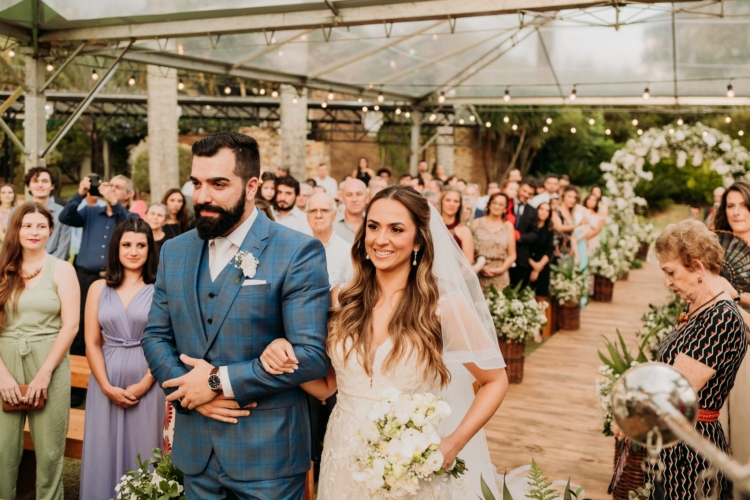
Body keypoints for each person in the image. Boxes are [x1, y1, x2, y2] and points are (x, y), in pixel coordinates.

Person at [259, 186, 508, 499]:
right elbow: (326, 385)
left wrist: (454, 442)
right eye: (373, 227)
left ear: (419, 239)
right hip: (344, 457)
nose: (380, 239)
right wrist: (281, 354)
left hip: (412, 466)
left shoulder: (444, 307)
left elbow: (495, 380)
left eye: (396, 229)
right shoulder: (341, 299)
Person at [141, 132, 330, 498]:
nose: (202, 196)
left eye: (218, 183)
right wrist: (189, 390)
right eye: (196, 183)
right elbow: (155, 336)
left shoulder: (296, 251)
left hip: (268, 456)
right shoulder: (174, 251)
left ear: (251, 186)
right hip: (197, 452)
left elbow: (310, 357)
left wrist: (215, 382)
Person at [614, 219, 747, 499]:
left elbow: (671, 391)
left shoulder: (721, 318)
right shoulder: (699, 307)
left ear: (697, 267)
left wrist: (630, 415)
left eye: (671, 272)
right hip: (675, 442)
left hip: (693, 450)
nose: (667, 282)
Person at [79, 218, 163, 500]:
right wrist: (104, 385)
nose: (134, 251)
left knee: (145, 448)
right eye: (127, 244)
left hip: (149, 376)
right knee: (104, 447)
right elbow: (91, 342)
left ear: (150, 249)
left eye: (141, 245)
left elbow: (166, 340)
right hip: (107, 376)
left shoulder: (160, 288)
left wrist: (144, 383)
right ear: (116, 247)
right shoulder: (97, 288)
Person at [0, 203, 79, 500]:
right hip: (4, 363)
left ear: (50, 230)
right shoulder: (1, 267)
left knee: (49, 453)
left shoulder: (63, 269)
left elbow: (70, 326)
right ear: (15, 229)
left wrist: (45, 374)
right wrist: (3, 377)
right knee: (3, 453)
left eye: (41, 226)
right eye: (27, 225)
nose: (34, 232)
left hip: (50, 363)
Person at [59, 176, 137, 373]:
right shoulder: (91, 212)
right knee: (79, 327)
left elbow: (129, 229)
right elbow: (64, 218)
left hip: (114, 281)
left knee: (109, 329)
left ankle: (104, 374)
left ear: (128, 195)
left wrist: (114, 203)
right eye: (109, 185)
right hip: (84, 278)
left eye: (117, 187)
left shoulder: (131, 218)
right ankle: (76, 384)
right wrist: (79, 193)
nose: (111, 189)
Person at [710, 180, 750, 466]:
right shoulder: (716, 248)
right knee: (716, 426)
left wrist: (737, 296)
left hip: (747, 346)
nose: (738, 212)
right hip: (716, 344)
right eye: (731, 206)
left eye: (745, 205)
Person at [13, 167, 71, 260]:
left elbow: (63, 249)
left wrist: (45, 267)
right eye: (35, 181)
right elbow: (12, 243)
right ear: (28, 186)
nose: (40, 185)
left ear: (52, 185)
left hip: (52, 266)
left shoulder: (63, 213)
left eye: (44, 181)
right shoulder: (16, 211)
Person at [472, 192, 516, 292]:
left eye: (501, 204)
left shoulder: (508, 226)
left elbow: (512, 255)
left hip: (500, 276)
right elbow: (468, 251)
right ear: (489, 204)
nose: (497, 206)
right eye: (494, 202)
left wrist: (500, 270)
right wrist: (479, 267)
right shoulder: (476, 223)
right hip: (478, 273)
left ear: (505, 208)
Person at [307, 192, 353, 289]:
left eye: (324, 210)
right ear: (307, 216)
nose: (318, 215)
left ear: (334, 215)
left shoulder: (347, 251)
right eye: (313, 210)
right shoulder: (299, 248)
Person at [509, 180, 539, 288]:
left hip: (521, 257)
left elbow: (535, 234)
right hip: (503, 255)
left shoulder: (533, 211)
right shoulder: (506, 204)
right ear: (519, 189)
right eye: (524, 191)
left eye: (530, 193)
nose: (526, 195)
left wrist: (520, 237)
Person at [439, 187, 474, 264]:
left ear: (460, 205)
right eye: (448, 200)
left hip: (456, 274)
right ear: (441, 201)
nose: (452, 204)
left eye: (456, 201)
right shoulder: (430, 226)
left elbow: (468, 262)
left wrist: (454, 276)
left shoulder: (464, 230)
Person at [551, 186, 585, 261]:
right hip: (555, 248)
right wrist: (578, 225)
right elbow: (559, 228)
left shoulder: (571, 214)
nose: (572, 200)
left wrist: (576, 255)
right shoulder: (555, 210)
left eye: (574, 197)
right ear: (563, 197)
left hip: (568, 249)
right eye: (569, 196)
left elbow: (572, 236)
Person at [529, 202, 555, 297]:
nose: (544, 212)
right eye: (542, 209)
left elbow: (549, 250)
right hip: (528, 262)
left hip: (542, 264)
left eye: (547, 210)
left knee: (541, 295)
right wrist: (533, 265)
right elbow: (523, 248)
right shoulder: (529, 227)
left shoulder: (549, 230)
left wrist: (538, 268)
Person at [334, 178, 367, 243]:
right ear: (342, 198)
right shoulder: (332, 226)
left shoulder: (375, 225)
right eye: (349, 195)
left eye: (359, 194)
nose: (354, 199)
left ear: (367, 197)